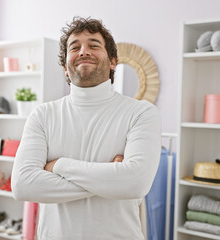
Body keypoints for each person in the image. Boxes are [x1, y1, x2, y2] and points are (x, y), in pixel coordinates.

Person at [11, 16, 161, 240]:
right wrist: (112, 180)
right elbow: (23, 186)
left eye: (93, 45)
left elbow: (136, 183)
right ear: (65, 67)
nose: (83, 51)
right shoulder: (43, 115)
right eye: (75, 47)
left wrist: (59, 165)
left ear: (112, 62)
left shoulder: (141, 113)